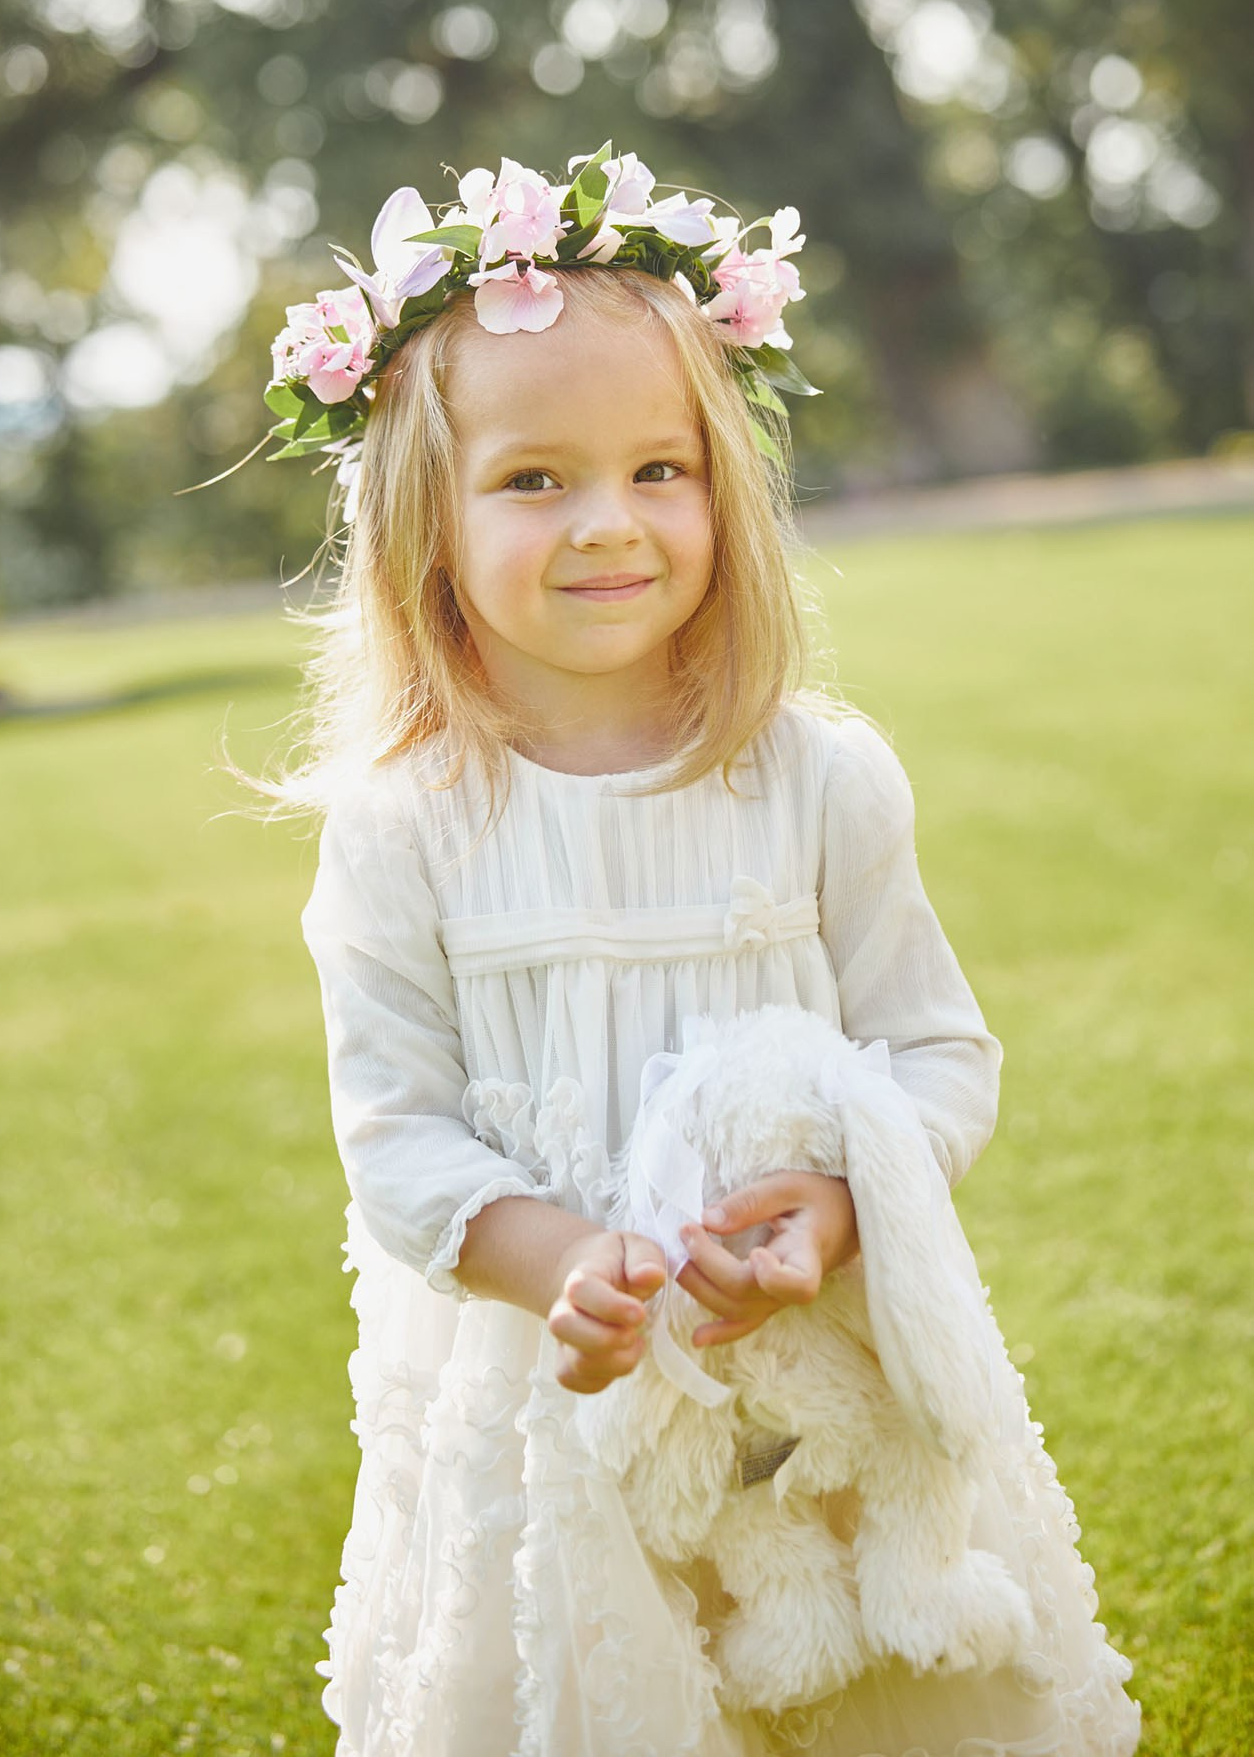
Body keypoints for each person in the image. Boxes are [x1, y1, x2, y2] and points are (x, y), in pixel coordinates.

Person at [257, 150, 1142, 1755]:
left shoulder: (815, 777)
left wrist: (837, 1208)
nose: (610, 524)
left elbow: (939, 1053)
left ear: (722, 488)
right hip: (561, 1392)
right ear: (423, 521)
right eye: (535, 481)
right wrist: (565, 1270)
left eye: (658, 469)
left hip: (822, 1359)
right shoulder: (406, 827)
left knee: (871, 1694)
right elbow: (391, 1135)